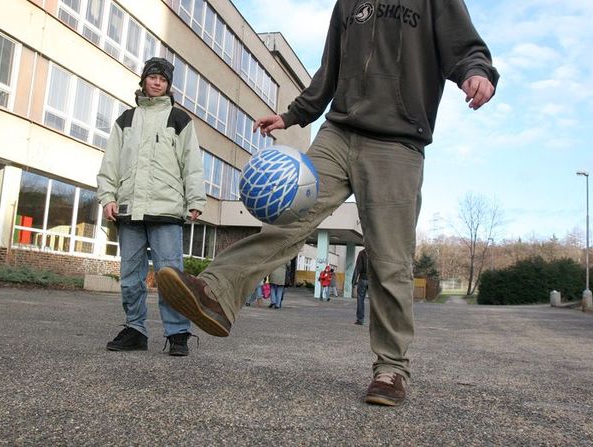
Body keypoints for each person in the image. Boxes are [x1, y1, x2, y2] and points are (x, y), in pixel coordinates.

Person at [156, 0, 498, 405]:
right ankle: (215, 292)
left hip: (397, 140)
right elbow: (329, 72)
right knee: (290, 217)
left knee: (389, 260)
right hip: (338, 133)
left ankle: (391, 369)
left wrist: (476, 72)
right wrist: (294, 115)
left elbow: (466, 47)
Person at [97, 57, 206, 356]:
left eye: (163, 79)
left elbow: (192, 164)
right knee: (130, 275)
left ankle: (178, 333)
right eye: (152, 77)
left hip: (167, 209)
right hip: (130, 209)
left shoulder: (180, 120)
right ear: (143, 80)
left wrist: (195, 199)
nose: (157, 82)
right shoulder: (126, 119)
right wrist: (108, 196)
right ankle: (135, 330)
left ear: (169, 85)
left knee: (170, 276)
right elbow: (111, 162)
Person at [352, 249, 369, 325]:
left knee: (360, 299)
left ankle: (360, 319)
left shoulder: (362, 253)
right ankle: (376, 321)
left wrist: (354, 281)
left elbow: (358, 268)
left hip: (363, 279)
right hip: (373, 280)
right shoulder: (376, 251)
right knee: (375, 302)